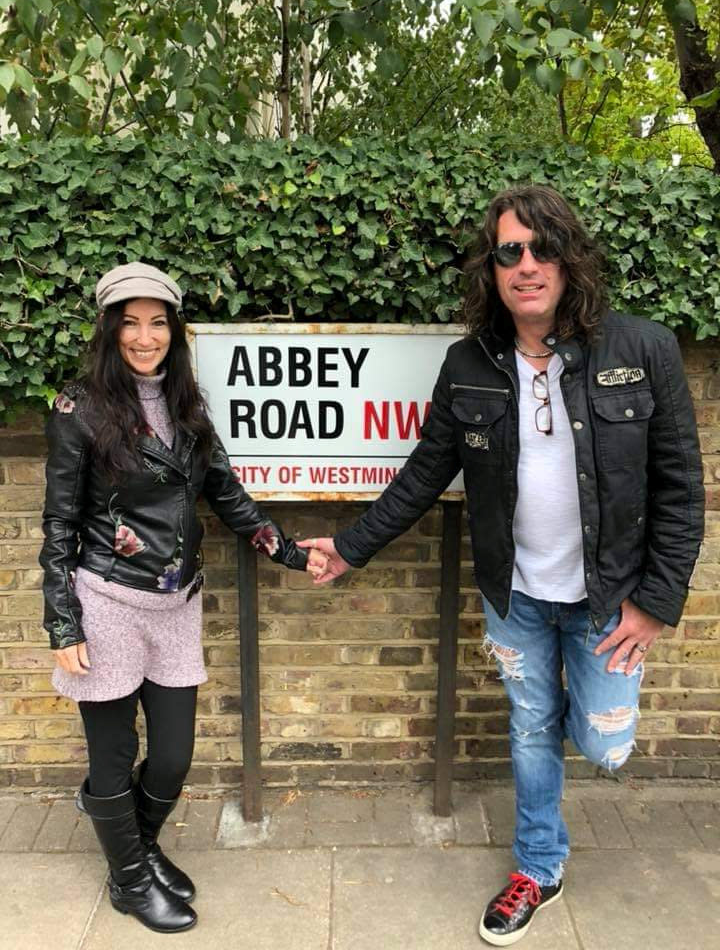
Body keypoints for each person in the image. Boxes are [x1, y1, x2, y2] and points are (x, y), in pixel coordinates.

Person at [300, 186, 704, 946]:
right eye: (508, 252)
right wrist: (349, 548)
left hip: (609, 597)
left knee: (604, 741)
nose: (526, 265)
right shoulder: (468, 365)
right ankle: (539, 865)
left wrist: (656, 602)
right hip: (514, 593)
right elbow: (424, 474)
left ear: (570, 256)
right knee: (529, 724)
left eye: (541, 247)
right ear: (490, 270)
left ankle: (581, 748)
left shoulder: (642, 351)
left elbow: (682, 489)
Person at [40, 262, 327, 934]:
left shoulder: (187, 406)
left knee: (172, 756)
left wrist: (289, 551)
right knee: (112, 757)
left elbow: (226, 494)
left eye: (158, 322)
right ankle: (131, 880)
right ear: (110, 330)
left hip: (177, 601)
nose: (145, 337)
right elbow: (57, 522)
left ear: (174, 329)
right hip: (106, 599)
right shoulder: (77, 409)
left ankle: (135, 846)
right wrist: (62, 621)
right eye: (131, 323)